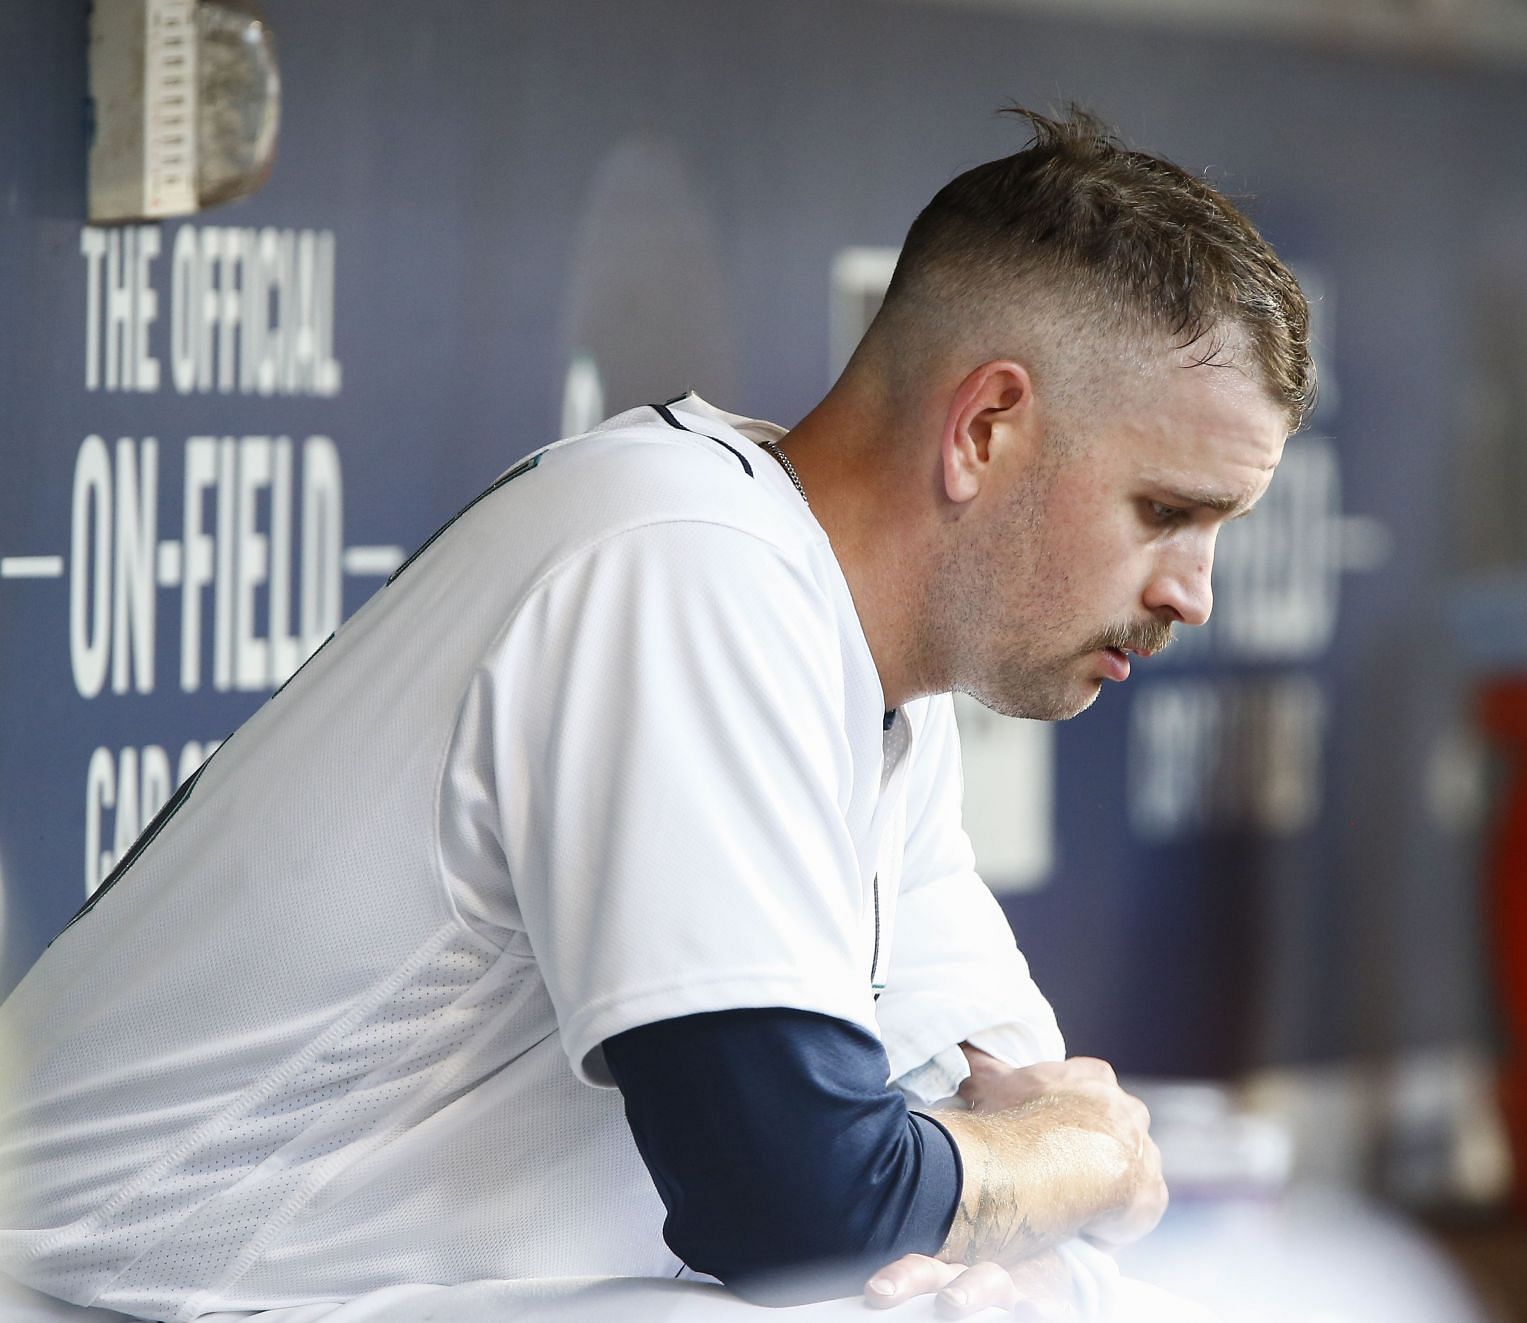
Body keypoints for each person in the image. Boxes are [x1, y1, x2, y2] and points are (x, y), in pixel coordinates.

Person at [0, 107, 1311, 1321]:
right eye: (1167, 512)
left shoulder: (869, 683)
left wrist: (1032, 1175)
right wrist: (1044, 1169)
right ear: (985, 429)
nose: (1193, 595)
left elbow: (1018, 1159)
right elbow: (799, 1201)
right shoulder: (685, 564)